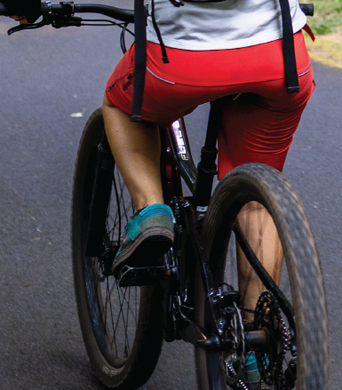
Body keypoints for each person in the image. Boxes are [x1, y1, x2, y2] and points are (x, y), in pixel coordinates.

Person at [81, 0, 315, 334]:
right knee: (255, 200)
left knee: (120, 104)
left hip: (180, 61)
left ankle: (152, 211)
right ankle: (257, 336)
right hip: (280, 60)